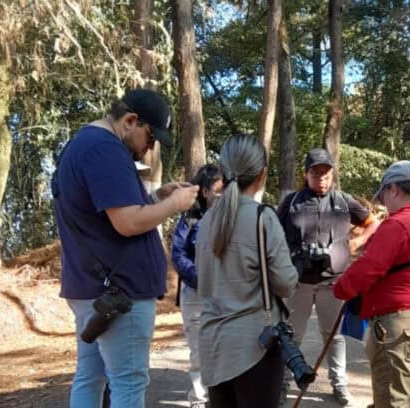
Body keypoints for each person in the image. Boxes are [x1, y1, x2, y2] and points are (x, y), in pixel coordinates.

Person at [52, 89, 199, 408]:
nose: (151, 147)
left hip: (94, 288)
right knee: (128, 383)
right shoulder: (105, 150)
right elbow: (127, 222)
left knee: (91, 377)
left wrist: (157, 197)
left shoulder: (84, 145)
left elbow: (106, 214)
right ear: (131, 121)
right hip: (118, 293)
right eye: (151, 136)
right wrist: (174, 204)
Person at [333, 160, 410, 408]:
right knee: (400, 398)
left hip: (399, 326)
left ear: (394, 189)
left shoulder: (398, 225)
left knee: (394, 402)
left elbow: (367, 269)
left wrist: (340, 287)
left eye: (384, 195)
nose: (384, 203)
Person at [195, 134, 299, 408]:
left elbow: (203, 281)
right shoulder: (262, 217)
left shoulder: (206, 221)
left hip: (213, 345)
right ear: (262, 174)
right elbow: (286, 284)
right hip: (255, 347)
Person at [277, 148, 380, 406]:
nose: (321, 179)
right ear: (306, 174)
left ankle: (339, 384)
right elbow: (274, 234)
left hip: (333, 282)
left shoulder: (344, 201)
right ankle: (282, 384)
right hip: (298, 281)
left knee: (333, 335)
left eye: (326, 173)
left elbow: (373, 222)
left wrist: (356, 243)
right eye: (316, 173)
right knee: (292, 335)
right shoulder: (291, 203)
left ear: (332, 174)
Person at [171, 164, 224, 408]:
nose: (223, 197)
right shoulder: (189, 219)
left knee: (225, 348)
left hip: (226, 294)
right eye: (219, 192)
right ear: (205, 191)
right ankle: (200, 400)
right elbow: (178, 254)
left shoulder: (232, 218)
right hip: (195, 294)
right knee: (199, 351)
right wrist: (199, 278)